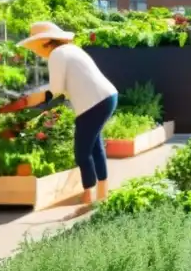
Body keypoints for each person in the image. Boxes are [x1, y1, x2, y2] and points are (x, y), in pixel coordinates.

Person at [15, 22, 118, 212]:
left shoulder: (57, 54)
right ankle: (102, 194)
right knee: (94, 147)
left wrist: (30, 103)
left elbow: (56, 90)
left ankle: (88, 197)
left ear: (45, 42)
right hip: (107, 97)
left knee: (82, 151)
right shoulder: (71, 50)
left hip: (93, 103)